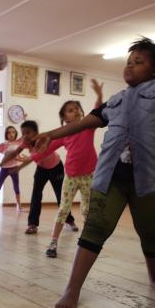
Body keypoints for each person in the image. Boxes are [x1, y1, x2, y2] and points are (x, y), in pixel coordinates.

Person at [35, 0, 155, 308]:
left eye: (139, 62)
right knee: (95, 228)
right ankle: (72, 288)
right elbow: (86, 122)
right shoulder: (115, 100)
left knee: (150, 232)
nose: (130, 66)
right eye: (128, 61)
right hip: (110, 177)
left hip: (150, 180)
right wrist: (50, 134)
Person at [33, 81, 102, 258]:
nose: (76, 110)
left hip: (89, 175)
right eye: (71, 110)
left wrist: (99, 95)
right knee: (64, 208)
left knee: (87, 209)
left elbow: (97, 110)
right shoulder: (63, 134)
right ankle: (53, 242)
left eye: (77, 108)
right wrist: (30, 156)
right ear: (64, 118)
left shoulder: (88, 126)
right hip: (71, 176)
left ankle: (86, 244)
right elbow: (46, 149)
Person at [4, 120, 79, 235]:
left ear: (36, 132)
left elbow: (34, 157)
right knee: (36, 195)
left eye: (28, 133)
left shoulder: (44, 139)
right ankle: (32, 225)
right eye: (23, 133)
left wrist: (21, 166)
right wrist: (3, 163)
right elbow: (15, 153)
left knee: (61, 195)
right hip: (41, 169)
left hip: (56, 167)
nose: (25, 136)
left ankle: (69, 221)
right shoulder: (25, 142)